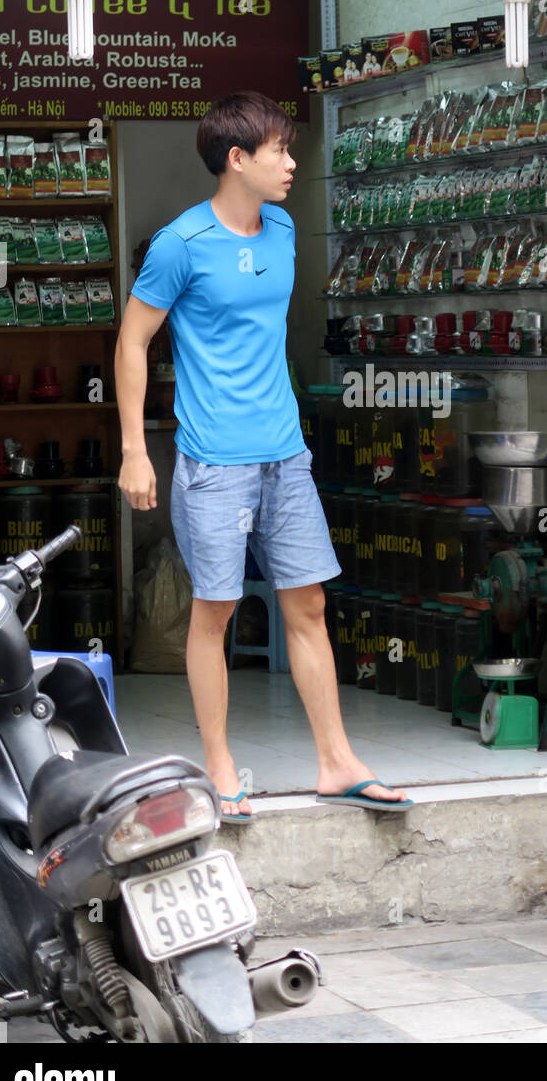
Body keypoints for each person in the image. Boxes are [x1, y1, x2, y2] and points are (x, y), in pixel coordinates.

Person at [115, 91, 411, 820]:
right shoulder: (179, 245)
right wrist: (134, 450)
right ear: (237, 159)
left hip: (285, 455)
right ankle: (218, 769)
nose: (291, 160)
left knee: (307, 604)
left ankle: (337, 762)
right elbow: (132, 342)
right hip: (213, 461)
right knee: (214, 611)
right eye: (278, 149)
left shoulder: (281, 229)